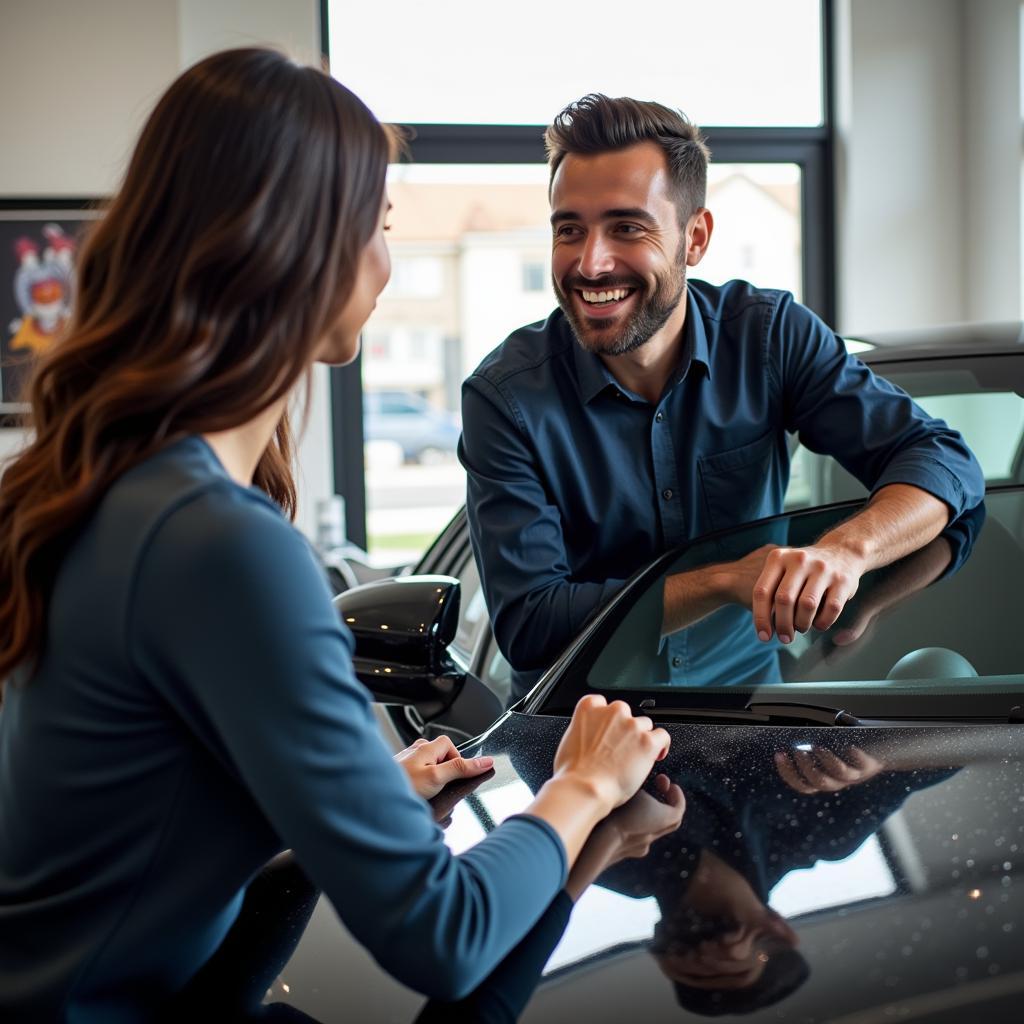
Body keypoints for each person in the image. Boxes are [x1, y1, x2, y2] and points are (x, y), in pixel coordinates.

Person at [0, 51, 673, 1021]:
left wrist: (367, 797)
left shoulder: (112, 486)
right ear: (303, 246)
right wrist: (579, 786)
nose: (386, 265)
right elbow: (441, 938)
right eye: (383, 227)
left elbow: (129, 824)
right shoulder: (214, 540)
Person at [459, 94, 985, 699]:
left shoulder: (770, 336)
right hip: (574, 744)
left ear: (696, 237)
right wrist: (725, 580)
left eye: (627, 227)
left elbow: (943, 460)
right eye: (569, 229)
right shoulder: (505, 397)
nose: (591, 263)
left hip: (756, 722)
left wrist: (845, 554)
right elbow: (531, 626)